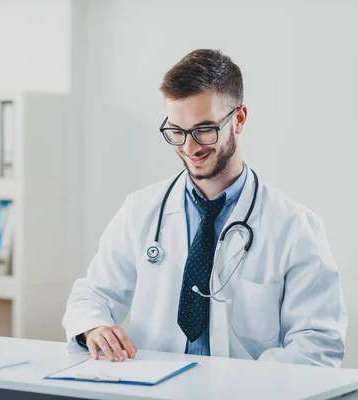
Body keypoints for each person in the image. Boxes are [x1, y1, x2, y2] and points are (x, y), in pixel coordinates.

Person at [62, 49, 347, 367]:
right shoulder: (140, 210)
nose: (189, 147)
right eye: (177, 131)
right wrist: (93, 326)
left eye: (204, 130)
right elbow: (93, 294)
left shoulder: (294, 226)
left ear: (238, 120)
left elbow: (317, 343)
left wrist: (242, 387)